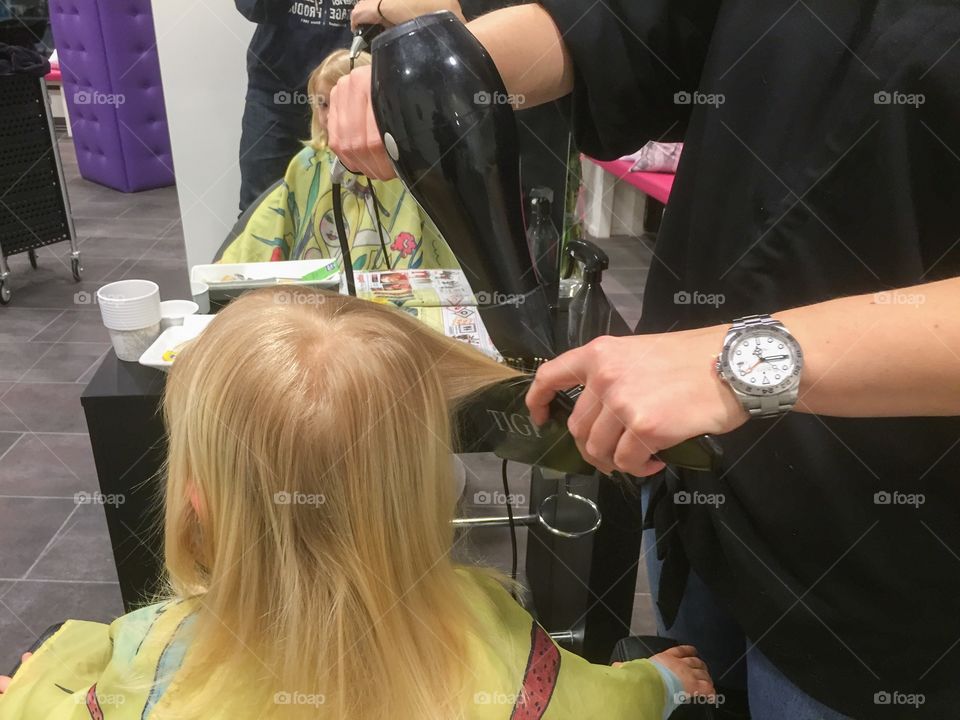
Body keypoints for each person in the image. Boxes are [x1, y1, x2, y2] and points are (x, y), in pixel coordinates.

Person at [330, 2, 960, 718]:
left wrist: (745, 361)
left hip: (887, 562)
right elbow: (632, 28)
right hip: (700, 486)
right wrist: (441, 68)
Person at [0, 287, 715, 719]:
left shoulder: (151, 654)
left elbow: (56, 686)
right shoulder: (492, 640)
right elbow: (591, 706)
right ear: (429, 488)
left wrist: (28, 684)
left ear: (197, 498)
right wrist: (659, 682)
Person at [220, 49, 459, 269]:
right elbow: (267, 230)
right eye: (323, 104)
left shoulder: (408, 163)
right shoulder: (307, 165)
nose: (330, 115)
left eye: (341, 102)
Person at [235, 0, 355, 213]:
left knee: (354, 209)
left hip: (349, 92)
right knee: (259, 210)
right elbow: (254, 8)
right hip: (275, 94)